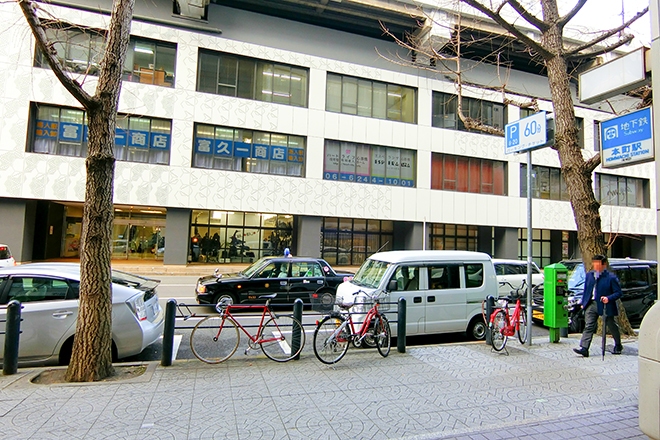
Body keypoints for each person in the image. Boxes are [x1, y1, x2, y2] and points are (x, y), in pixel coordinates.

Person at [573, 254, 623, 357]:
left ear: (603, 265)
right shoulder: (590, 275)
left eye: (598, 264)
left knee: (610, 324)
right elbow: (586, 290)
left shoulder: (610, 277)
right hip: (591, 304)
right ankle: (584, 348)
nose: (596, 266)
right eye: (594, 263)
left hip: (605, 304)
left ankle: (618, 344)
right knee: (589, 325)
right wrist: (583, 303)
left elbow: (618, 292)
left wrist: (608, 298)